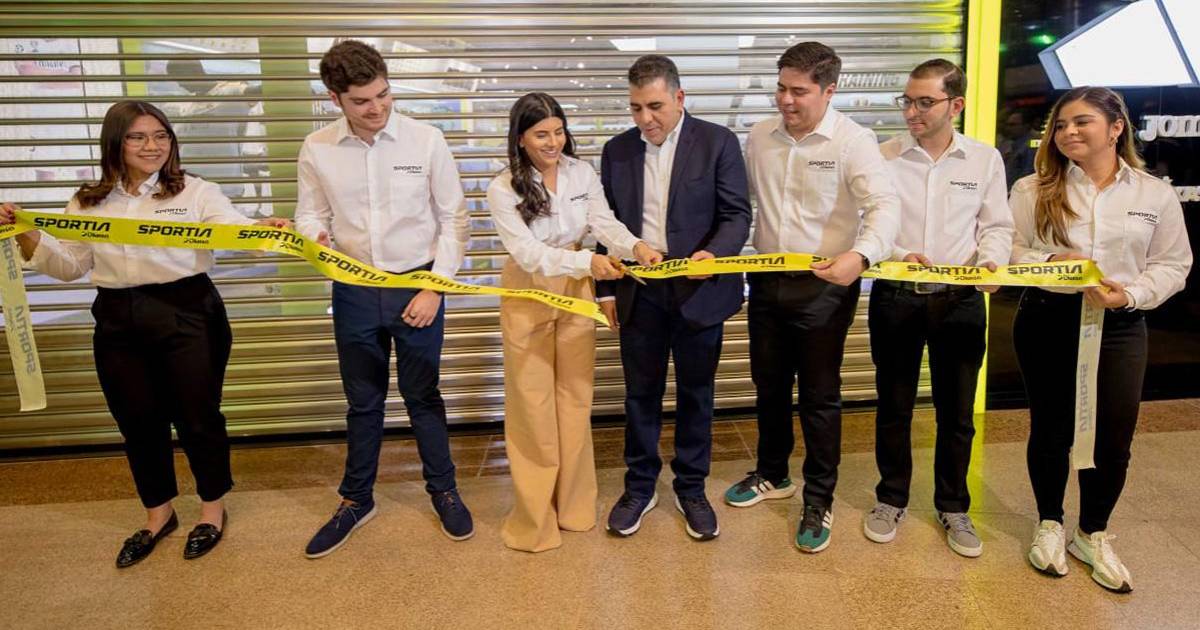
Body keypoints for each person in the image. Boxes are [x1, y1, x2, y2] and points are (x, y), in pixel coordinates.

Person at [0, 100, 289, 567]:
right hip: (118, 318)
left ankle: (211, 510)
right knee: (136, 421)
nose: (152, 146)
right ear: (116, 143)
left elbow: (232, 228)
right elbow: (70, 265)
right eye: (138, 137)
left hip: (188, 311)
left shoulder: (195, 191)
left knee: (198, 417)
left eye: (161, 135)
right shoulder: (89, 201)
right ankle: (159, 515)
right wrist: (24, 232)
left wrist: (264, 231)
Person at [294, 40, 473, 558]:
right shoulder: (317, 148)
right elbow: (310, 213)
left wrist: (435, 287)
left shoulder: (426, 139)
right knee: (363, 402)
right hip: (353, 289)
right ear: (335, 99)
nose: (376, 108)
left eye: (383, 95)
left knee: (423, 396)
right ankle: (356, 500)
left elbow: (454, 220)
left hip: (418, 285)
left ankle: (444, 490)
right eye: (362, 101)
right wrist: (313, 239)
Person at [1010, 86, 1191, 592]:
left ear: (1115, 128)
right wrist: (1052, 262)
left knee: (1113, 435)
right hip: (1047, 318)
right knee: (1051, 429)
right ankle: (1049, 523)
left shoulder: (1152, 193)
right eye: (1060, 124)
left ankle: (1092, 533)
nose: (1068, 132)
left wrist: (1130, 294)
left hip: (1119, 324)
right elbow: (1010, 250)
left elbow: (1173, 263)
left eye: (1081, 122)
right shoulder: (1032, 188)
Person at [725, 42, 900, 554]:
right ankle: (773, 473)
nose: (786, 100)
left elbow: (884, 206)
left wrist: (861, 256)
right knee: (769, 385)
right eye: (781, 88)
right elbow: (740, 203)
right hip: (766, 280)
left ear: (829, 90)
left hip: (824, 285)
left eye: (799, 91)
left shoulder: (853, 141)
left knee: (820, 396)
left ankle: (819, 496)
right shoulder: (760, 136)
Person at [486, 92, 661, 552]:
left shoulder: (580, 172)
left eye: (558, 131)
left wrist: (635, 247)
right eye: (541, 134)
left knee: (574, 397)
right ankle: (535, 517)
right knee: (532, 404)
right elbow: (527, 253)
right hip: (529, 287)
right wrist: (587, 263)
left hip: (577, 287)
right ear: (521, 138)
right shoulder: (503, 188)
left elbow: (603, 223)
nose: (553, 142)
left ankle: (575, 506)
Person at [598, 54, 752, 542]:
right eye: (636, 107)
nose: (646, 118)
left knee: (696, 395)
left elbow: (737, 215)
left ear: (680, 98)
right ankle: (639, 487)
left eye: (655, 106)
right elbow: (606, 225)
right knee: (639, 395)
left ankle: (691, 488)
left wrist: (715, 253)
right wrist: (605, 291)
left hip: (699, 290)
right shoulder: (617, 151)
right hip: (640, 291)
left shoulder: (717, 142)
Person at [866, 59, 1012, 558]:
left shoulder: (984, 159)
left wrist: (992, 262)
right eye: (907, 101)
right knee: (894, 406)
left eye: (924, 102)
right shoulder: (881, 156)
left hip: (961, 301)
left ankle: (953, 505)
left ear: (956, 104)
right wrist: (897, 254)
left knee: (958, 411)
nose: (912, 111)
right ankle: (890, 498)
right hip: (897, 295)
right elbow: (867, 224)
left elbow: (997, 226)